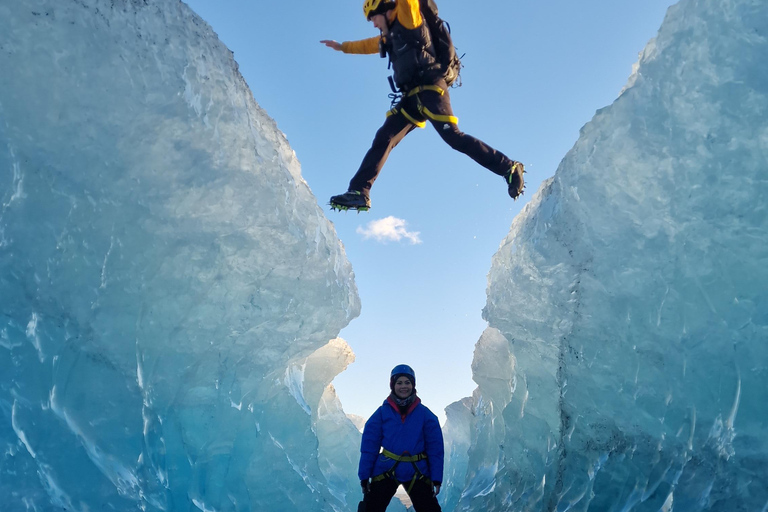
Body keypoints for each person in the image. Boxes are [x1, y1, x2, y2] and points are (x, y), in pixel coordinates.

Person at [321, 0, 525, 211]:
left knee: (454, 138)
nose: (373, 24)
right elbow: (365, 46)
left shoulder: (409, 18)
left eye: (373, 17)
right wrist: (342, 47)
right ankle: (359, 192)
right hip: (411, 98)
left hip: (431, 90)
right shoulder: (388, 37)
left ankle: (509, 167)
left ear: (383, 8)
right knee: (385, 136)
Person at [358, 364, 444, 512]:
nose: (403, 386)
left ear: (413, 385)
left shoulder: (425, 415)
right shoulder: (381, 414)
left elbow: (435, 449)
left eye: (407, 382)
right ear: (392, 385)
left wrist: (436, 478)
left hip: (417, 472)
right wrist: (364, 476)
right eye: (399, 383)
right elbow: (369, 447)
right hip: (386, 470)